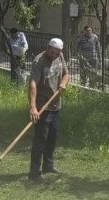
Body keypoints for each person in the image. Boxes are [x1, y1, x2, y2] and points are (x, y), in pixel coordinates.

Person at [28, 38, 70, 183]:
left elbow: (66, 74)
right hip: (41, 107)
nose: (54, 56)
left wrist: (63, 84)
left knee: (52, 137)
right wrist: (33, 107)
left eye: (57, 53)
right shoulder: (38, 61)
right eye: (52, 52)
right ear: (47, 48)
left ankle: (48, 165)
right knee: (40, 139)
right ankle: (34, 173)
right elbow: (33, 84)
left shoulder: (60, 56)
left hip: (55, 105)